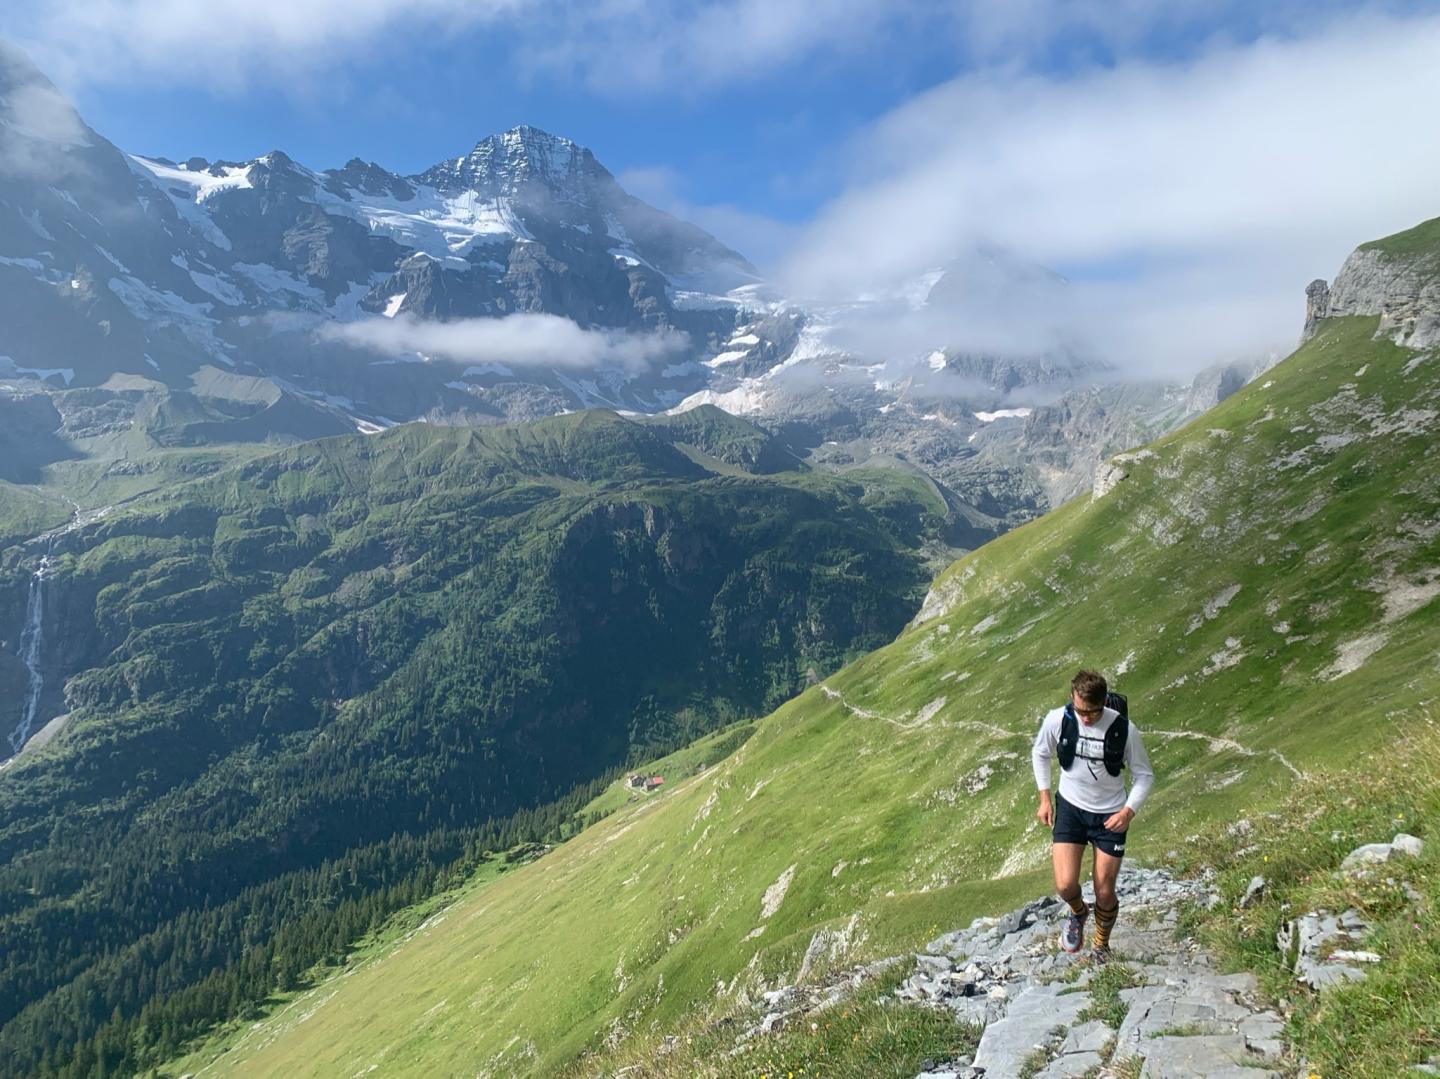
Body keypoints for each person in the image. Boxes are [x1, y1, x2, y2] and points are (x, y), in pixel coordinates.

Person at [1032, 669, 1155, 963]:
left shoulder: (1125, 730)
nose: (1086, 718)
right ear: (1073, 698)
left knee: (1104, 889)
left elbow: (1144, 775)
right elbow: (1040, 753)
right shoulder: (1059, 719)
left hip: (1110, 815)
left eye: (1093, 712)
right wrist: (1044, 797)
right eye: (1080, 710)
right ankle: (1078, 912)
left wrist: (1128, 811)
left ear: (1104, 702)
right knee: (1064, 885)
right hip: (1071, 809)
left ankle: (1101, 946)